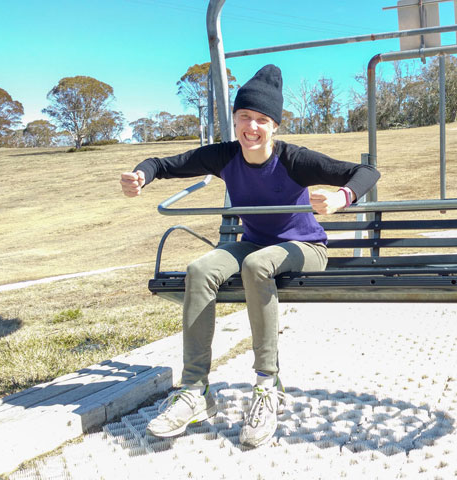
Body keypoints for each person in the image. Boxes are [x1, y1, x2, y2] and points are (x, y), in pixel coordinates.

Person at [120, 64, 379, 448]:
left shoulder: (294, 159)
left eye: (261, 119)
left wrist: (342, 197)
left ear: (274, 126)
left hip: (305, 248)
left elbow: (366, 172)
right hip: (255, 243)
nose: (252, 127)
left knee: (257, 266)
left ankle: (266, 386)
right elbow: (163, 164)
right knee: (200, 269)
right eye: (245, 117)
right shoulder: (226, 156)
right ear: (235, 120)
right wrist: (140, 175)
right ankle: (195, 390)